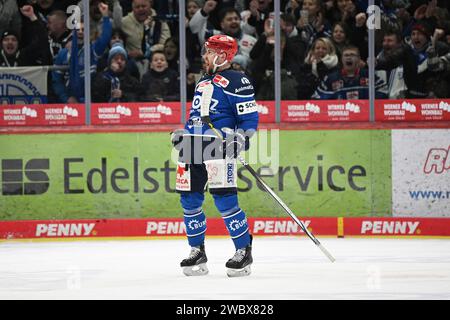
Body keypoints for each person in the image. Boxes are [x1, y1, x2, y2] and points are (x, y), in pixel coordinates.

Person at [172, 35, 258, 277]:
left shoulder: (238, 81)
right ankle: (196, 250)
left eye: (209, 52)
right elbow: (197, 115)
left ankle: (243, 250)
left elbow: (250, 119)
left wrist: (241, 138)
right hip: (191, 146)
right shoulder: (203, 81)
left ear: (222, 56)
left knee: (225, 200)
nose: (204, 56)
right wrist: (184, 132)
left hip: (219, 146)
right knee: (188, 200)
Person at [313, 45, 386, 99]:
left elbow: (384, 92)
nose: (349, 57)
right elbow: (317, 97)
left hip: (366, 115)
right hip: (341, 116)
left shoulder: (369, 75)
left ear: (358, 59)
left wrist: (365, 98)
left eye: (352, 55)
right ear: (341, 59)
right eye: (346, 55)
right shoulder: (331, 78)